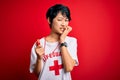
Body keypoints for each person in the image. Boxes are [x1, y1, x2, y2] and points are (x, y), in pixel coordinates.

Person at [29, 4, 79, 80]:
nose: (63, 24)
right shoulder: (39, 44)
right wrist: (39, 58)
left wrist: (62, 40)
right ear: (49, 20)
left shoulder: (71, 41)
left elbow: (68, 68)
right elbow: (38, 74)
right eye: (59, 20)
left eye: (66, 20)